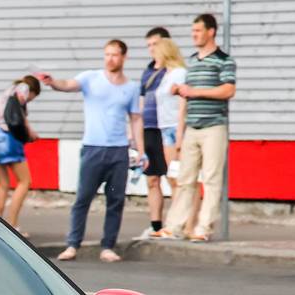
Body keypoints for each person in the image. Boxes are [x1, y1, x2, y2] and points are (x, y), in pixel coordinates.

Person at [41, 41, 144, 263]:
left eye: (114, 55)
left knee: (115, 199)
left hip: (118, 151)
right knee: (83, 198)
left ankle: (108, 246)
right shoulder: (91, 78)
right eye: (106, 54)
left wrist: (140, 151)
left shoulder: (131, 88)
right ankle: (72, 245)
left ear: (124, 57)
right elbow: (68, 84)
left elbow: (136, 119)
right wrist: (53, 83)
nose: (110, 59)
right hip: (93, 149)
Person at [165, 13, 237, 242]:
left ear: (211, 32)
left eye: (198, 31)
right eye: (193, 31)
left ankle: (204, 228)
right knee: (186, 179)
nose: (194, 35)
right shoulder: (193, 62)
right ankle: (174, 226)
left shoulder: (224, 60)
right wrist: (181, 91)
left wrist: (195, 91)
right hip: (192, 127)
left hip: (214, 126)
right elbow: (188, 95)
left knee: (211, 178)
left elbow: (228, 90)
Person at [139, 34, 187, 239]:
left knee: (173, 177)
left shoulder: (174, 73)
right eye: (149, 45)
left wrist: (179, 133)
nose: (152, 49)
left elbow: (179, 104)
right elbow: (141, 100)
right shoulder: (149, 72)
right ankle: (156, 225)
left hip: (167, 128)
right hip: (149, 128)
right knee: (152, 179)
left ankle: (177, 223)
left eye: (155, 44)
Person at [0, 75, 41, 228]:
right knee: (24, 181)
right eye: (33, 97)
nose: (30, 99)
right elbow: (18, 112)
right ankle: (12, 226)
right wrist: (29, 131)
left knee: (2, 184)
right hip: (4, 136)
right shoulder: (23, 87)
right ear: (33, 91)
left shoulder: (5, 93)